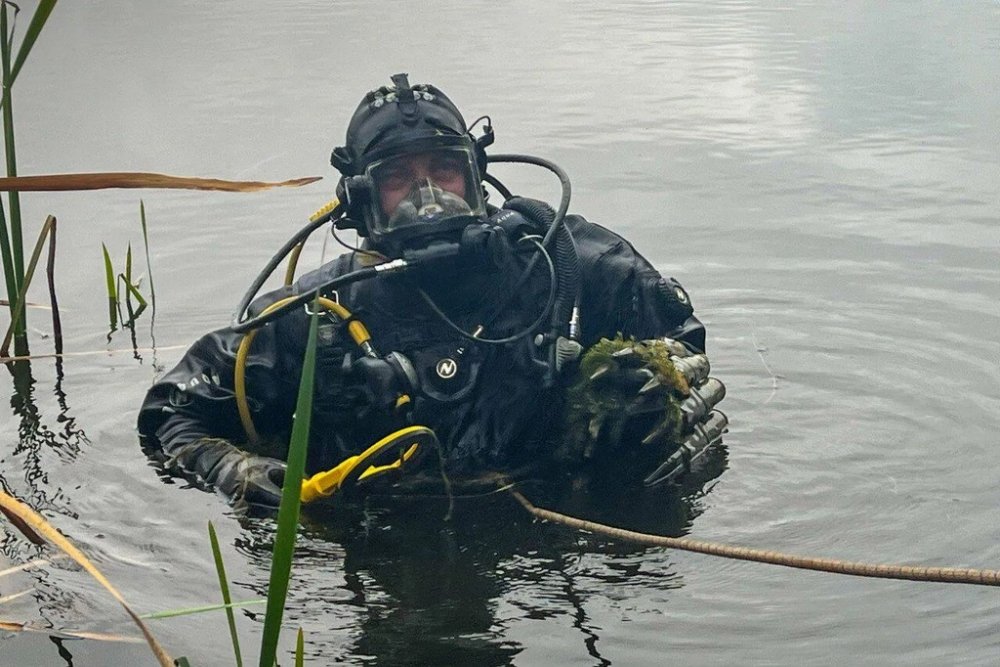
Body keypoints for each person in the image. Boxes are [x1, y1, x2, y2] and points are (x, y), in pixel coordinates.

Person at [137, 73, 727, 511]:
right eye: (399, 179)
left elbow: (684, 349)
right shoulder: (313, 315)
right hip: (385, 539)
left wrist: (669, 399)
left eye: (443, 170)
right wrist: (234, 469)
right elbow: (172, 413)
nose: (428, 195)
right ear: (363, 199)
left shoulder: (573, 265)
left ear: (474, 173)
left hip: (556, 525)